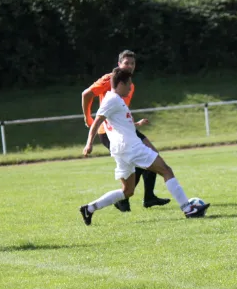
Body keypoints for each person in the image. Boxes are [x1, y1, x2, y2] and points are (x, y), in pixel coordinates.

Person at [79, 68, 210, 225]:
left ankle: (89, 209)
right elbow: (97, 122)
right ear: (120, 84)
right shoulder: (112, 99)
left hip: (121, 150)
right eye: (129, 84)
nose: (131, 87)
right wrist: (89, 144)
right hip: (131, 147)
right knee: (166, 170)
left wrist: (136, 123)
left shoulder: (114, 99)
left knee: (127, 191)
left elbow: (116, 124)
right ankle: (188, 209)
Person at [82, 49, 169, 212]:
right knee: (146, 158)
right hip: (107, 132)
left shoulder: (130, 84)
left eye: (132, 63)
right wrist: (88, 118)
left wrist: (136, 123)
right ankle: (127, 198)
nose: (129, 66)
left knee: (151, 155)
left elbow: (120, 116)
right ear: (119, 64)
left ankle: (146, 197)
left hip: (123, 130)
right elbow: (86, 94)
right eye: (126, 63)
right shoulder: (109, 79)